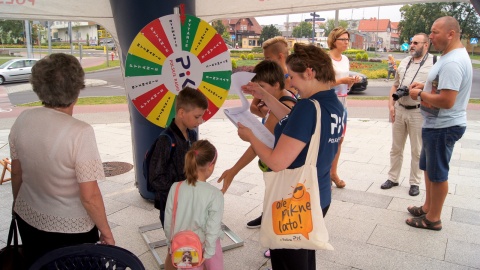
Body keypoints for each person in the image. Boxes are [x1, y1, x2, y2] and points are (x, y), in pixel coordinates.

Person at [239, 43, 344, 270]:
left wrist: (251, 137)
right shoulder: (332, 104)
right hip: (319, 195)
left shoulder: (308, 107)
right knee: (304, 258)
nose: (291, 83)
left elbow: (277, 162)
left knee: (288, 263)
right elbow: (293, 119)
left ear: (309, 72)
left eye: (293, 76)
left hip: (295, 200)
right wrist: (265, 94)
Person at [9, 53, 115, 266]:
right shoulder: (80, 132)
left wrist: (17, 204)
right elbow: (90, 196)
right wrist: (106, 232)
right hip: (71, 230)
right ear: (77, 90)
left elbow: (17, 172)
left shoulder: (23, 118)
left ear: (39, 86)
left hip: (28, 218)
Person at [406, 16, 472, 231]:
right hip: (435, 124)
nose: (431, 37)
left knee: (437, 173)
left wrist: (420, 94)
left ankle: (433, 219)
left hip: (443, 126)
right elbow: (440, 87)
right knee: (428, 168)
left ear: (451, 34)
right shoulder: (449, 55)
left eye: (435, 32)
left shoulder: (452, 61)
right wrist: (424, 85)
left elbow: (447, 100)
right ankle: (427, 206)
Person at [381, 33, 436, 197]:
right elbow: (395, 85)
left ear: (426, 45)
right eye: (411, 42)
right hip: (400, 109)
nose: (412, 45)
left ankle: (414, 182)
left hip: (418, 111)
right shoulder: (405, 62)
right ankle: (393, 178)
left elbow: (438, 87)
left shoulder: (434, 62)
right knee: (395, 147)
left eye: (416, 43)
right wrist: (391, 105)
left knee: (417, 150)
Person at [149, 86, 208, 227]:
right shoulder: (166, 140)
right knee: (176, 242)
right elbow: (155, 178)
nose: (200, 121)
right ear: (181, 113)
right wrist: (180, 191)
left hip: (189, 201)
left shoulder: (192, 134)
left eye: (202, 116)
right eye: (197, 116)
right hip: (172, 205)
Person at [164, 140, 224, 270]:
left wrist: (171, 244)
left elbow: (168, 221)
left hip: (182, 246)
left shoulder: (176, 187)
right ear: (211, 166)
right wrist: (208, 253)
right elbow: (213, 228)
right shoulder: (215, 194)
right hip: (206, 246)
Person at [327, 26, 360, 189]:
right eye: (343, 39)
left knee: (339, 139)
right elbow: (321, 84)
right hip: (329, 103)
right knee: (328, 139)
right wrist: (341, 81)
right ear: (334, 41)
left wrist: (351, 81)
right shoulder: (326, 60)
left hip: (343, 102)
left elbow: (344, 82)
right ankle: (324, 172)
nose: (347, 42)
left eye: (348, 39)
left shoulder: (345, 59)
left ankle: (333, 172)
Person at [250, 36, 297, 118]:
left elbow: (280, 115)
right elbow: (253, 107)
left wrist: (262, 107)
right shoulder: (266, 78)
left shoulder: (291, 81)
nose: (265, 61)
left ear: (280, 56)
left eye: (268, 58)